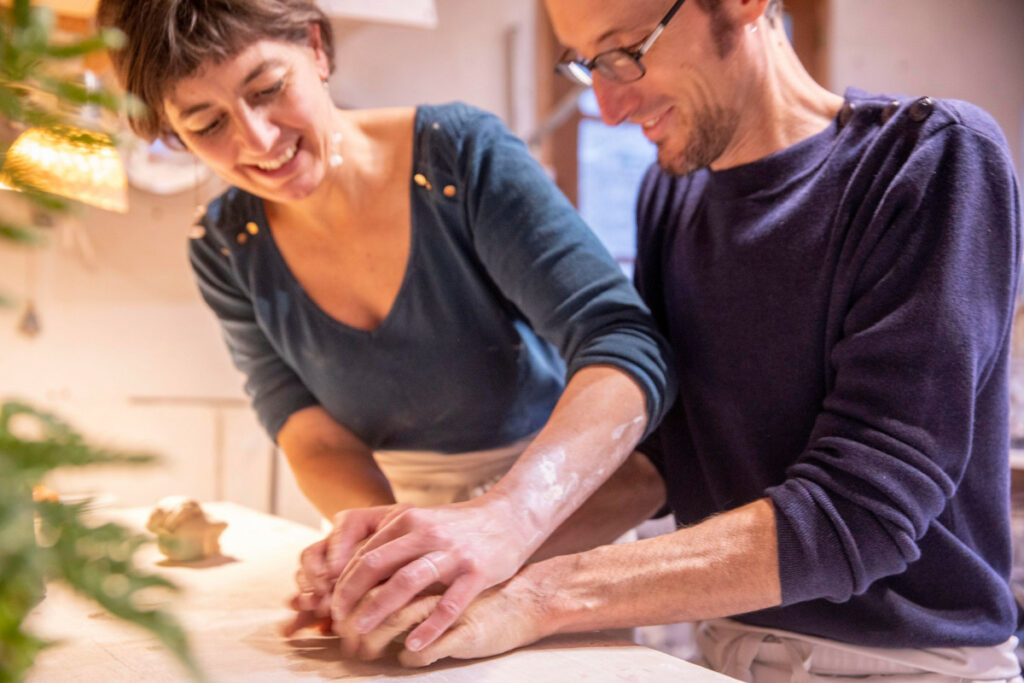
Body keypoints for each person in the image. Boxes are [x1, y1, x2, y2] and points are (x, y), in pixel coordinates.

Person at [326, 0, 1024, 679]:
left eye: (626, 52)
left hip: (916, 664)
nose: (609, 106)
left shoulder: (929, 157)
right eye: (586, 65)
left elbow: (860, 511)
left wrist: (541, 595)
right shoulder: (672, 196)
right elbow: (662, 459)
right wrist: (456, 552)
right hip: (731, 648)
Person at [97, 0, 676, 653]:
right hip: (406, 529)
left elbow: (623, 346)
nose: (257, 141)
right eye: (206, 124)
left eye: (268, 89)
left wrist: (504, 520)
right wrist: (371, 535)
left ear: (315, 48)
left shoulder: (461, 159)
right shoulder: (226, 244)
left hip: (554, 507)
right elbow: (309, 430)